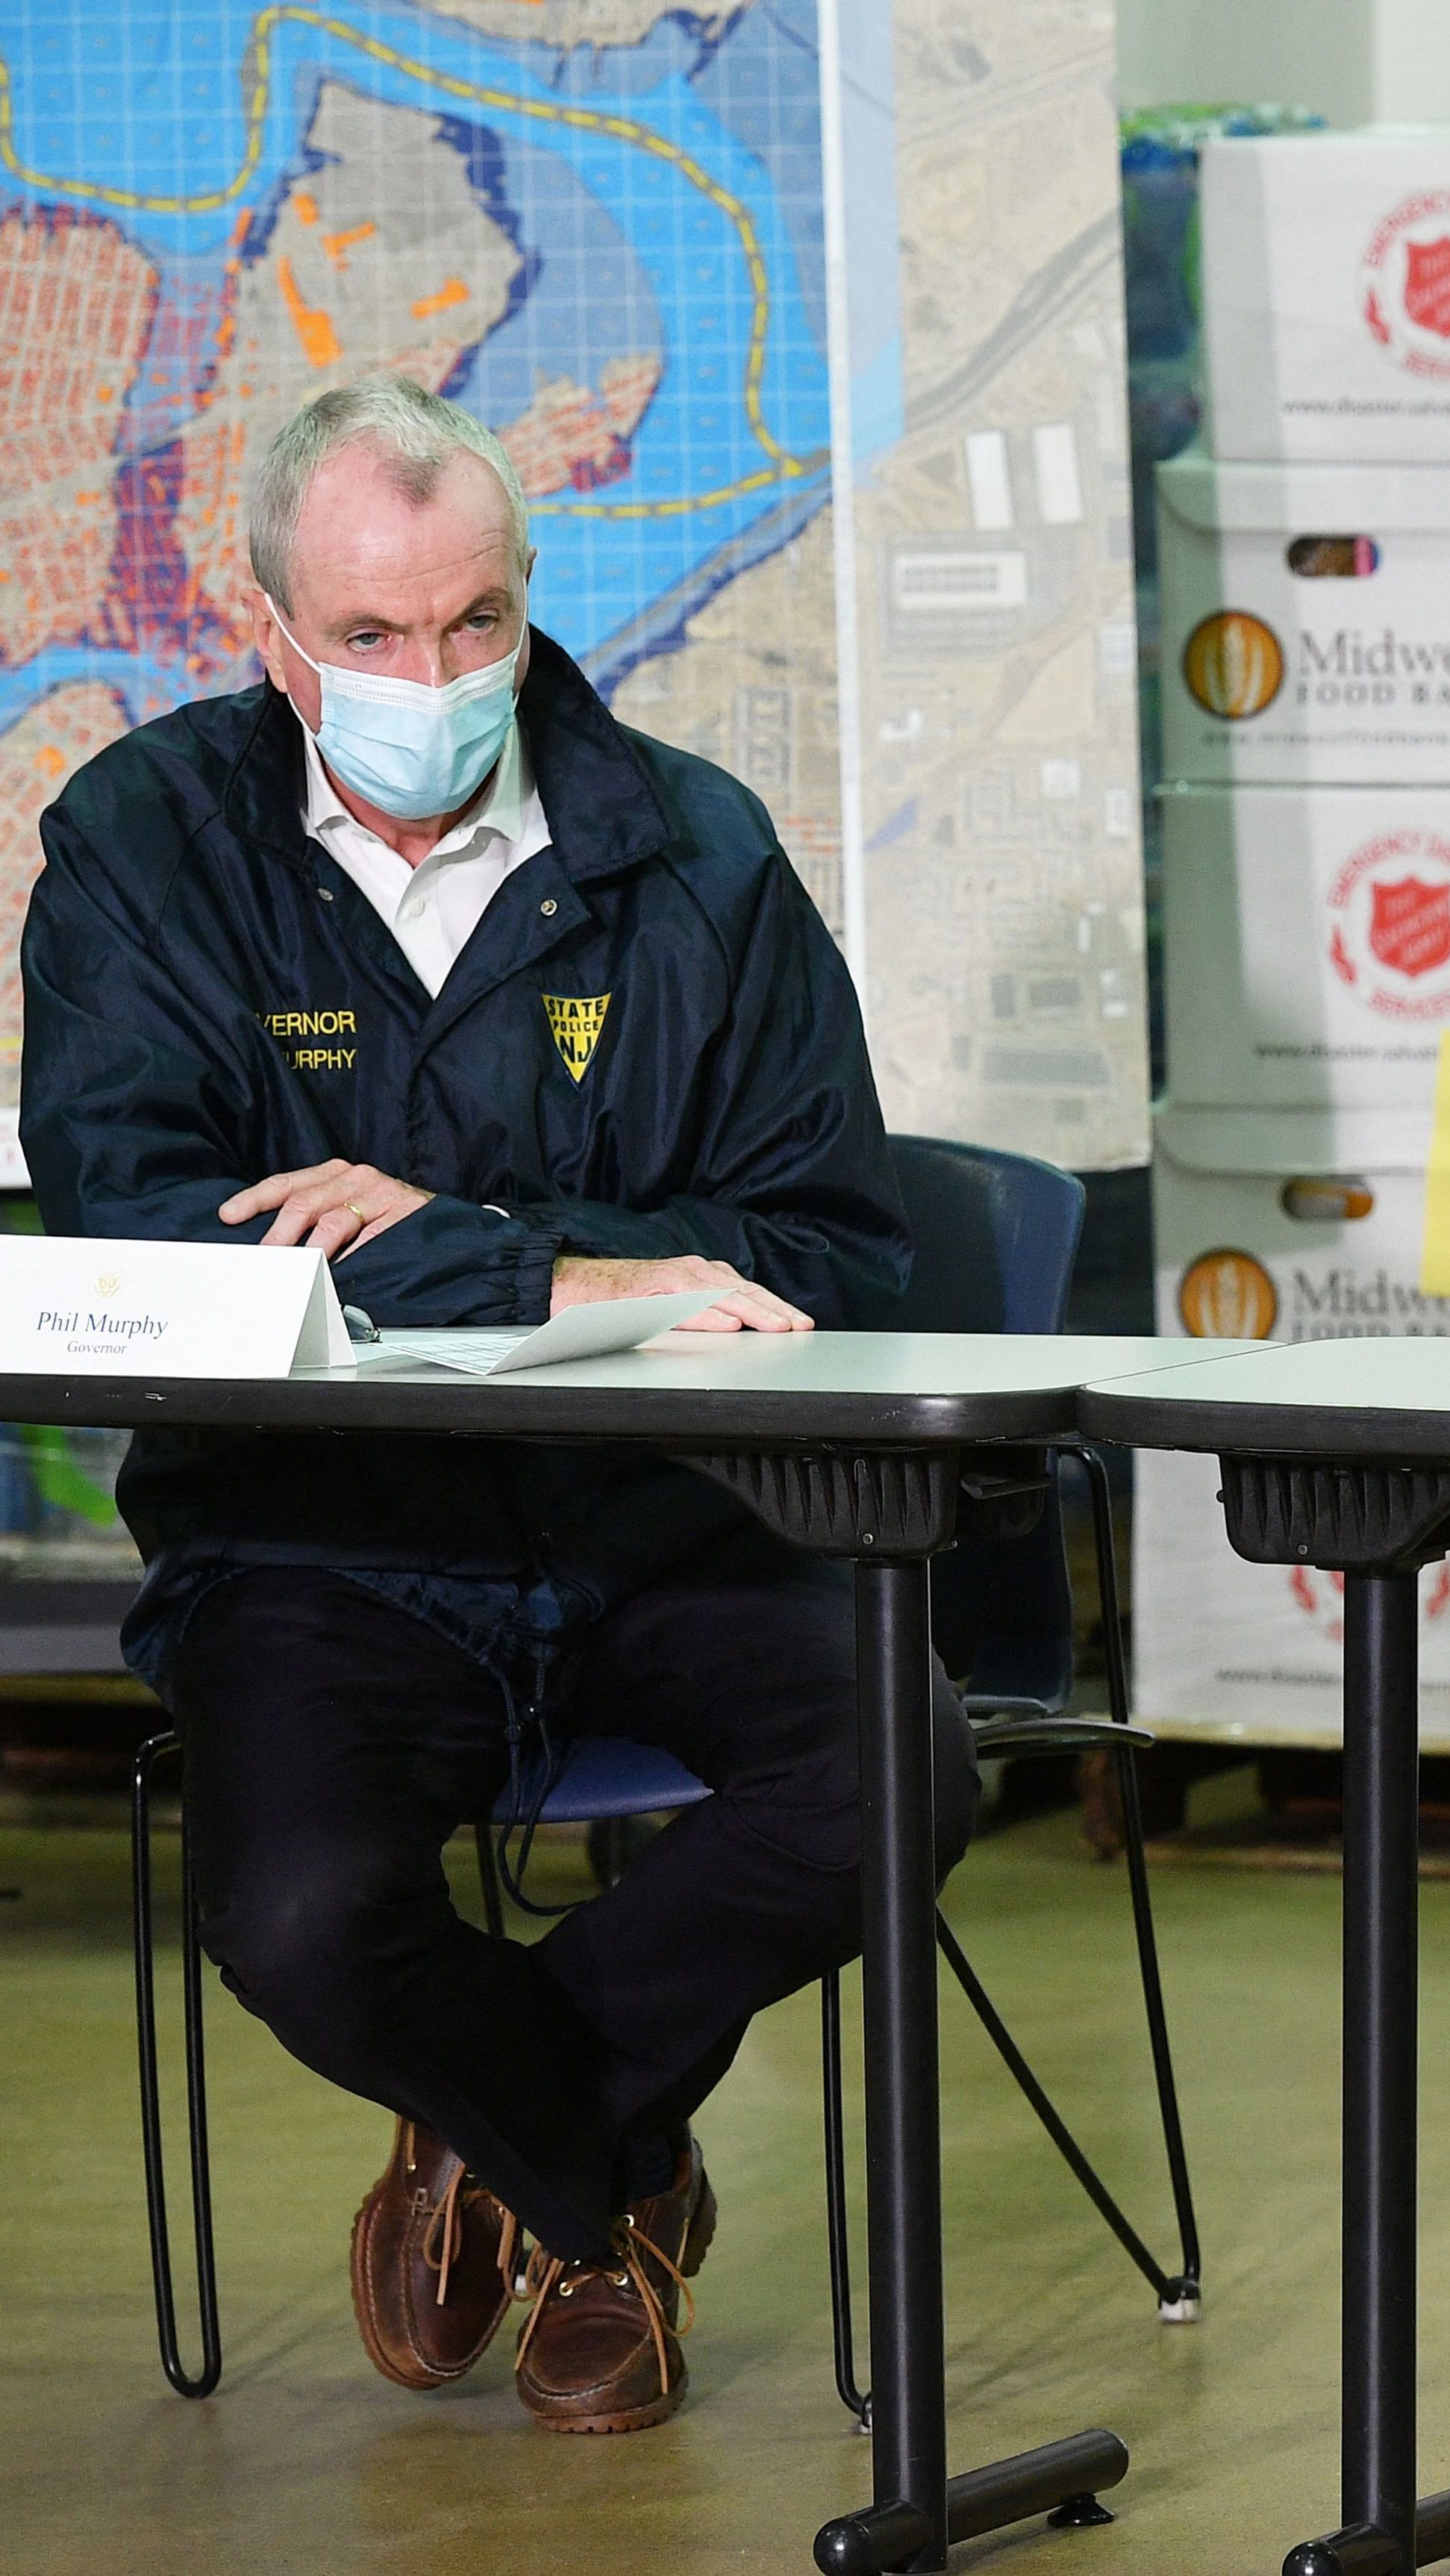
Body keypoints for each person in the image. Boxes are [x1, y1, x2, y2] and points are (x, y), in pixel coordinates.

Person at [22, 374, 966, 2433]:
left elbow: (826, 1246)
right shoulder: (138, 848)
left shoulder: (700, 851)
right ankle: (611, 2184)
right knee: (290, 1914)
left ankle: (494, 2121)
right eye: (370, 636)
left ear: (529, 599)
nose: (433, 675)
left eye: (475, 623)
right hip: (322, 1535)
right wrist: (568, 1263)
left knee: (909, 1773)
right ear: (268, 629)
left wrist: (464, 1236)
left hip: (665, 1507)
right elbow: (150, 1233)